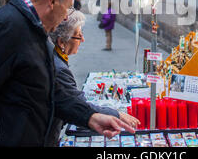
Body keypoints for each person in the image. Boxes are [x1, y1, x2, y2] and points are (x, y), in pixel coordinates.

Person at [0, 0, 134, 146]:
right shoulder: (4, 27)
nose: (66, 17)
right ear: (52, 0)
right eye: (66, 9)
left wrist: (89, 117)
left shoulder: (36, 31)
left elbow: (51, 90)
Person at [48, 11, 140, 145]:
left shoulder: (56, 59)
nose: (83, 40)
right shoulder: (59, 69)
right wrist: (116, 114)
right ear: (62, 42)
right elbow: (78, 105)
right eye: (78, 36)